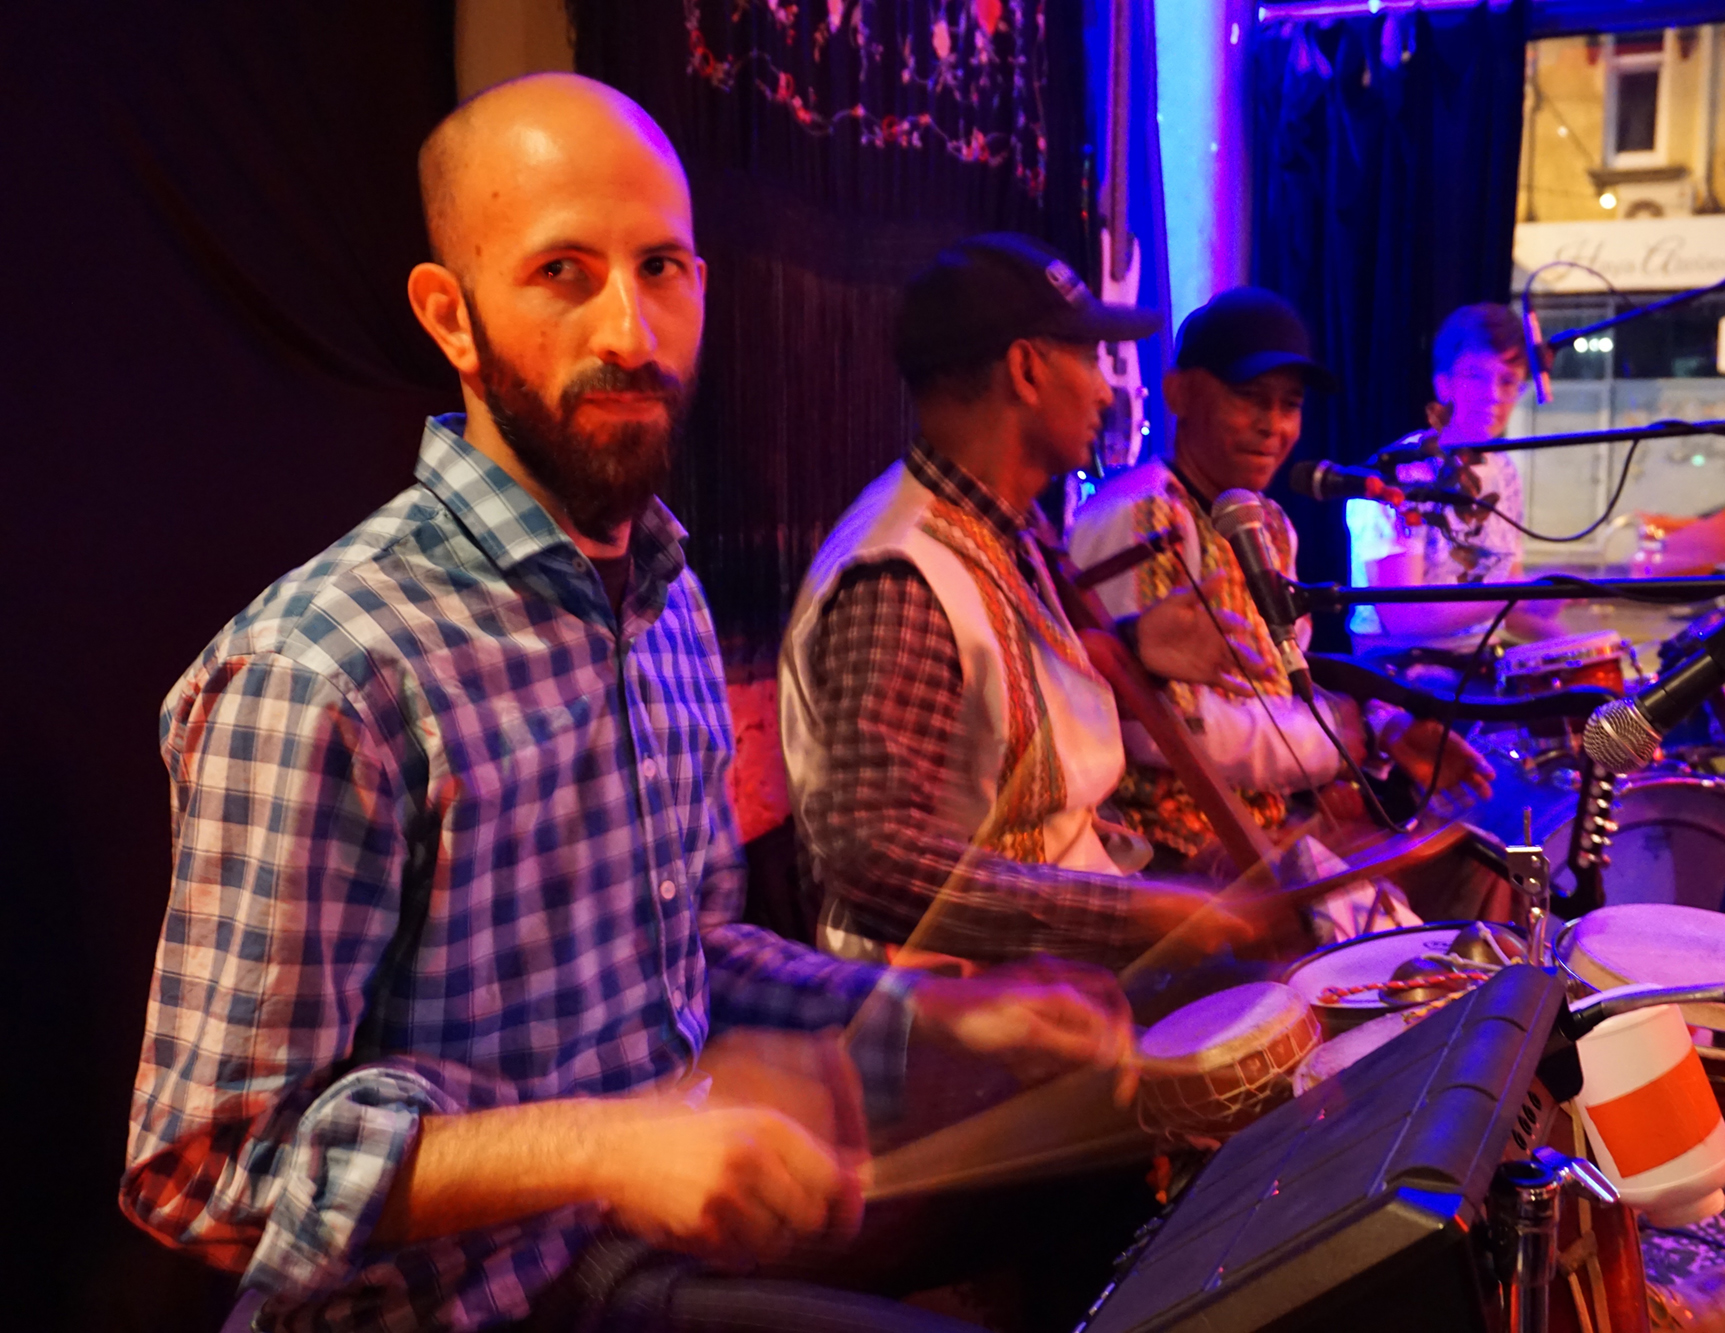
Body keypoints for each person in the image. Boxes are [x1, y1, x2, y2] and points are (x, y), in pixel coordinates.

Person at [121, 75, 1135, 1333]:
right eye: (562, 272)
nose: (633, 331)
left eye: (661, 267)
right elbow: (208, 1170)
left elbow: (691, 951)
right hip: (440, 1309)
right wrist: (612, 1144)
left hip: (620, 1263)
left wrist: (931, 1012)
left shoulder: (662, 597)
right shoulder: (328, 664)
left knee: (1115, 1185)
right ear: (450, 314)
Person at [780, 234, 1275, 967]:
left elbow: (999, 686)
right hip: (964, 1014)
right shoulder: (900, 576)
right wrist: (1133, 913)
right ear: (1027, 369)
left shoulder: (1005, 528)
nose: (1106, 390)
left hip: (1054, 968)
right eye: (1089, 359)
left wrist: (1136, 645)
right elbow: (874, 859)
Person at [1069, 287, 1500, 930]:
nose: (1274, 426)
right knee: (1391, 949)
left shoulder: (1264, 523)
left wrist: (1386, 730)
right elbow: (1158, 726)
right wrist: (1337, 744)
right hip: (1174, 856)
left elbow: (1283, 677)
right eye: (1251, 399)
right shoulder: (1143, 513)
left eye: (1290, 405)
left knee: (1483, 868)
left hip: (1266, 828)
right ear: (1181, 394)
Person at [1346, 302, 1565, 654]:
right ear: (1442, 382)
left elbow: (1507, 606)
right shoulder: (1401, 472)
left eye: (1508, 381)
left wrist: (1585, 647)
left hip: (1477, 664)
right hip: (1397, 676)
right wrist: (1520, 594)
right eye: (1477, 376)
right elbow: (1401, 618)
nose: (1494, 395)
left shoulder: (1503, 471)